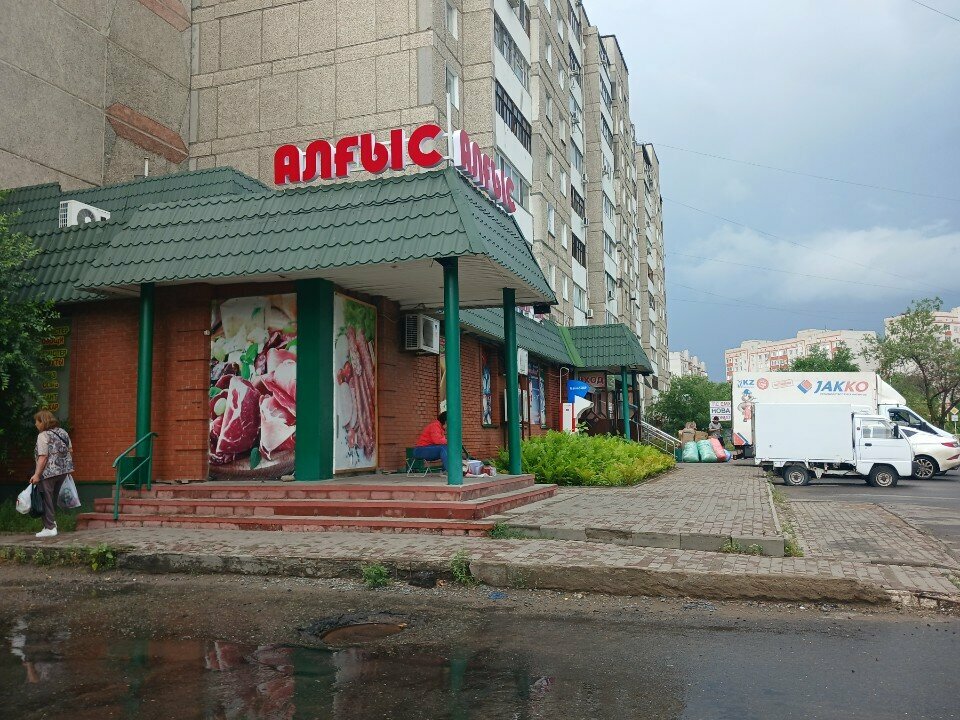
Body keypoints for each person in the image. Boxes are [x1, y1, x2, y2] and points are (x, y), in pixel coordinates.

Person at [29, 410, 74, 538]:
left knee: (45, 499)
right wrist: (67, 467)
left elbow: (43, 457)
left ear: (42, 422)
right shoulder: (62, 432)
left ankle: (50, 528)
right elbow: (70, 450)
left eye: (37, 422)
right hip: (63, 472)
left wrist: (37, 475)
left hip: (48, 473)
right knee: (53, 500)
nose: (36, 424)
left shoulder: (43, 435)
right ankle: (51, 524)